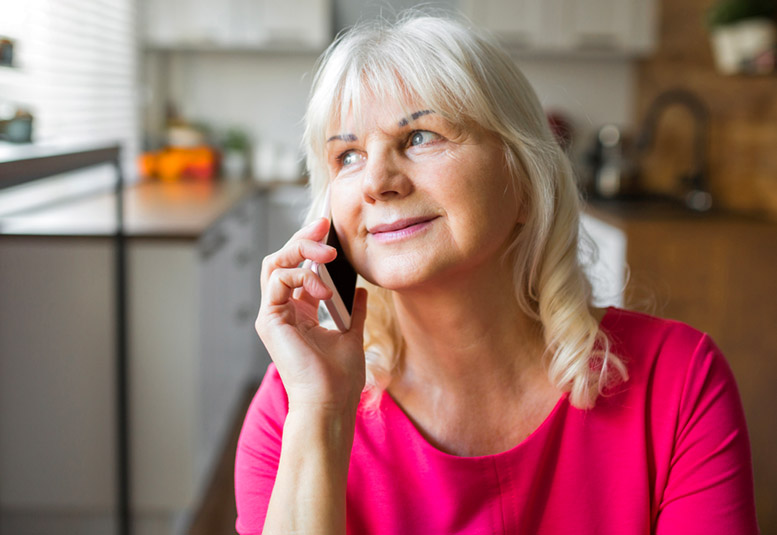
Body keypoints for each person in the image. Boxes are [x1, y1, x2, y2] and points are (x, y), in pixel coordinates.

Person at [235, 13, 760, 535]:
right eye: (346, 155)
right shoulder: (295, 405)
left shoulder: (679, 384)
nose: (376, 181)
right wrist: (321, 416)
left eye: (419, 137)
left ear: (526, 184)